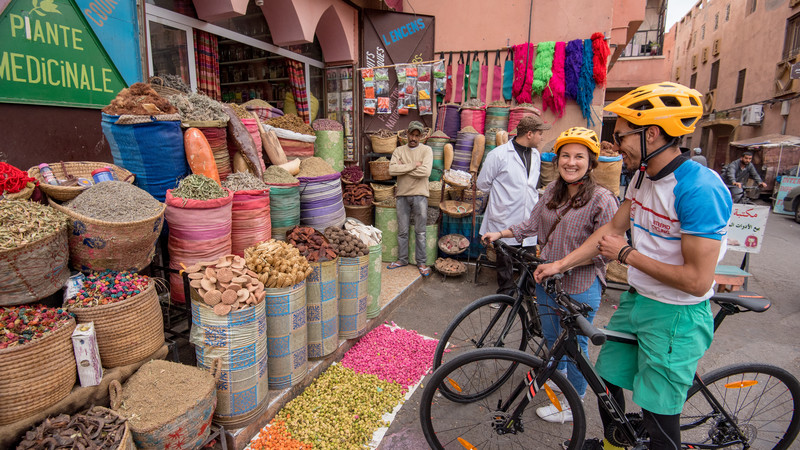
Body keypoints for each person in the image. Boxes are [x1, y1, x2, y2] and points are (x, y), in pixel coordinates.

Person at [535, 82, 733, 450]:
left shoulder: (699, 189)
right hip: (638, 300)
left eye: (621, 135)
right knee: (605, 381)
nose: (616, 144)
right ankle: (616, 444)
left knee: (658, 416)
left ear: (651, 134)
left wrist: (627, 255)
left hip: (676, 314)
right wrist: (560, 264)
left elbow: (696, 280)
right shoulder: (642, 177)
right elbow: (611, 230)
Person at [483, 127, 618, 423]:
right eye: (565, 156)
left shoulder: (602, 200)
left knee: (576, 346)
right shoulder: (553, 191)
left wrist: (564, 264)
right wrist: (501, 233)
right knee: (553, 337)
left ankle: (573, 403)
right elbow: (529, 225)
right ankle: (561, 380)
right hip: (546, 279)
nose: (571, 162)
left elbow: (608, 250)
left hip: (580, 285)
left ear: (591, 162)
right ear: (557, 160)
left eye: (579, 156)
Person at [477, 114, 549, 296]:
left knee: (529, 260)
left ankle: (528, 297)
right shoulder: (498, 155)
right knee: (505, 262)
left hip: (528, 217)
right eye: (540, 133)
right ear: (530, 134)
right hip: (504, 216)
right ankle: (505, 296)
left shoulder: (536, 155)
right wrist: (504, 196)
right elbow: (482, 184)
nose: (542, 138)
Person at [387, 121, 433, 276]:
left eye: (417, 135)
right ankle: (402, 259)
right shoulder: (399, 150)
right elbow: (392, 170)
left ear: (421, 136)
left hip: (420, 195)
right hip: (402, 195)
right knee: (402, 231)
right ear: (406, 134)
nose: (413, 138)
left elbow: (426, 172)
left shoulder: (426, 150)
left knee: (420, 232)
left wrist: (403, 167)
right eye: (411, 134)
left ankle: (421, 262)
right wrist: (413, 165)